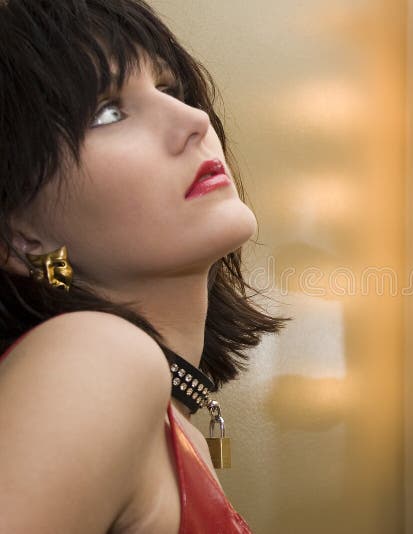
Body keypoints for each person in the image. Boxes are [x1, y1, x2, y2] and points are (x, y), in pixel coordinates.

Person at [0, 1, 284, 532]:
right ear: (21, 238)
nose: (195, 121)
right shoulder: (98, 354)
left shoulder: (168, 419)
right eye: (108, 112)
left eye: (171, 89)